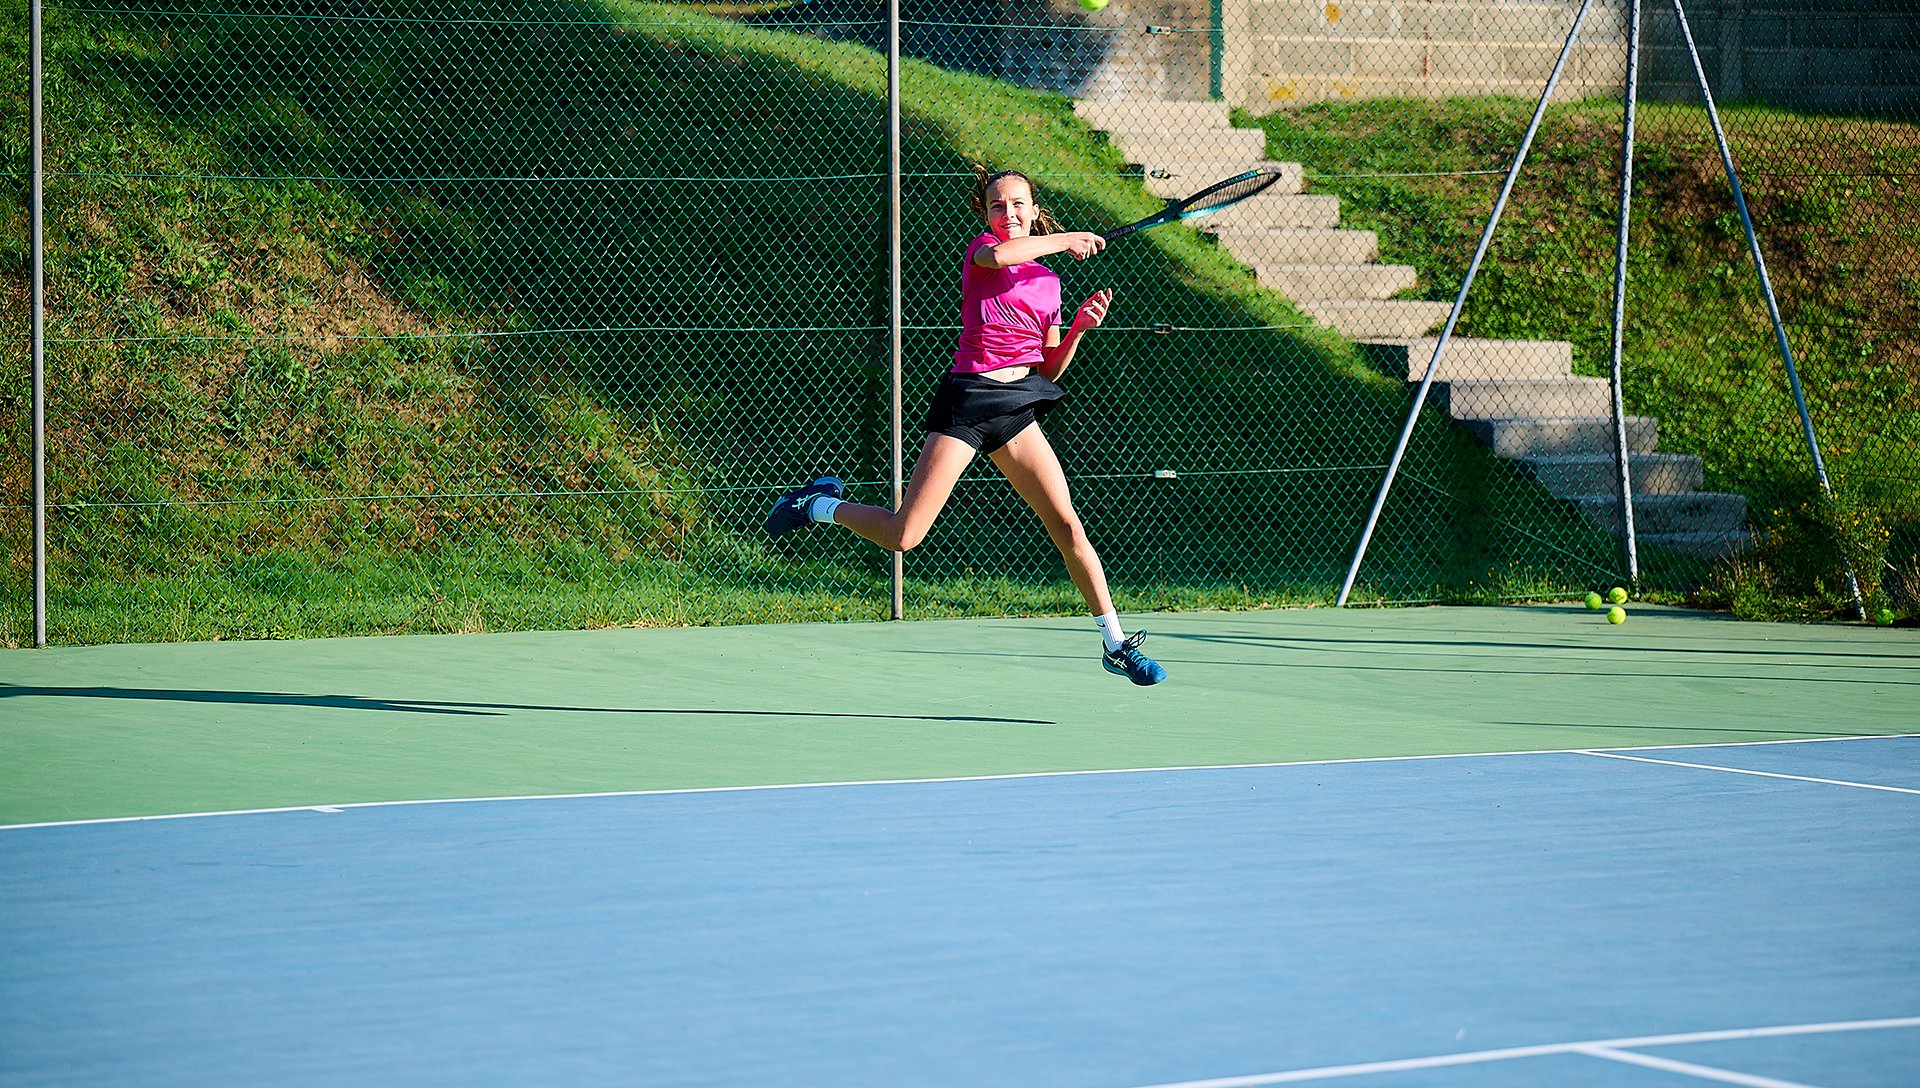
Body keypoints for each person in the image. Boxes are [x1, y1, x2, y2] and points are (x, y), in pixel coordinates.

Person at [764, 167, 1166, 686]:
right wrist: (1064, 239)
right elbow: (1001, 256)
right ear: (987, 215)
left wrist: (1079, 332)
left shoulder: (1048, 282)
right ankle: (816, 504)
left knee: (1067, 525)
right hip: (968, 401)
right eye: (998, 206)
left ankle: (1115, 641)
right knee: (905, 536)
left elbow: (1046, 366)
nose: (1009, 214)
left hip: (1018, 403)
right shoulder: (983, 253)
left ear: (1034, 209)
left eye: (1019, 204)